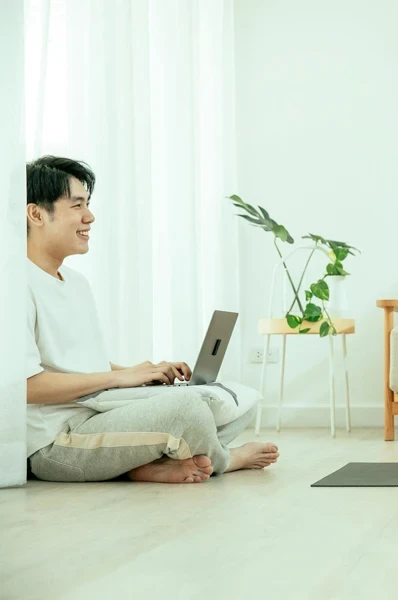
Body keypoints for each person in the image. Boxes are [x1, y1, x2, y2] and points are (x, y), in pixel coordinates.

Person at [25, 156, 279, 483]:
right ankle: (225, 459)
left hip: (98, 414)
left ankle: (140, 465)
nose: (89, 216)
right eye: (77, 206)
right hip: (55, 440)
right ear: (36, 214)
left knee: (237, 399)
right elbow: (26, 387)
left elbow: (78, 364)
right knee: (189, 411)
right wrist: (121, 378)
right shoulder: (15, 285)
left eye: (87, 204)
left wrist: (145, 373)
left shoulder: (75, 283)